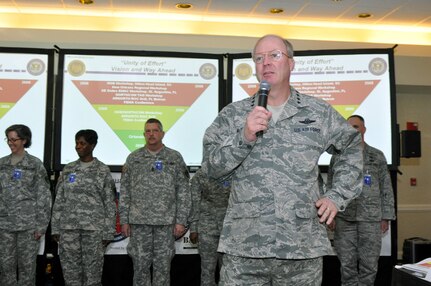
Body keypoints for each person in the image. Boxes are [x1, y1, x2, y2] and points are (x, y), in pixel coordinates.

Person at [201, 34, 364, 285]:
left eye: (274, 55)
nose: (265, 63)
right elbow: (211, 167)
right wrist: (243, 136)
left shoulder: (317, 113)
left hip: (301, 248)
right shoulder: (233, 115)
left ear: (291, 63)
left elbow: (351, 146)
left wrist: (337, 195)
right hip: (245, 249)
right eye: (258, 58)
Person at [119, 118, 191, 286]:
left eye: (155, 130)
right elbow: (125, 192)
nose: (151, 134)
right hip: (139, 223)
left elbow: (184, 192)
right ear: (144, 134)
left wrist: (181, 221)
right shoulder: (134, 158)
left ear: (162, 133)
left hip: (165, 224)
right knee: (140, 268)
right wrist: (124, 220)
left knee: (163, 269)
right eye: (148, 131)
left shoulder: (174, 157)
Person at [327, 115, 396, 286]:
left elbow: (386, 187)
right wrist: (331, 215)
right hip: (344, 218)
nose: (353, 130)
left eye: (356, 126)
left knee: (369, 266)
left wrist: (386, 216)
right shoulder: (337, 156)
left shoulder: (377, 156)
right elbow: (330, 185)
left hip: (371, 219)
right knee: (347, 266)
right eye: (350, 127)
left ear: (364, 129)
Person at [51, 129, 117, 286]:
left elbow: (109, 202)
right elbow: (60, 199)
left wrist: (108, 231)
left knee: (92, 277)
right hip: (69, 230)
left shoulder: (102, 170)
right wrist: (55, 227)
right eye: (76, 143)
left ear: (92, 145)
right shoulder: (68, 169)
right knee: (70, 275)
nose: (78, 146)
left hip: (94, 231)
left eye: (82, 143)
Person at [0, 124, 52, 285]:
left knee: (27, 270)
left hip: (28, 227)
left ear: (24, 140)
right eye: (8, 139)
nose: (10, 143)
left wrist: (41, 226)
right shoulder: (2, 164)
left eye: (14, 139)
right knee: (5, 268)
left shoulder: (35, 164)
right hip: (4, 226)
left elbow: (43, 197)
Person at [189, 168, 231, 286]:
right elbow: (194, 201)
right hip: (206, 227)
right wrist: (193, 228)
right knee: (207, 270)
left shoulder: (235, 170)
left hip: (230, 229)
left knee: (229, 271)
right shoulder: (201, 174)